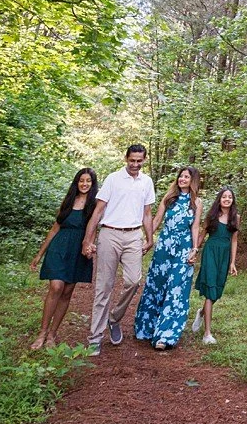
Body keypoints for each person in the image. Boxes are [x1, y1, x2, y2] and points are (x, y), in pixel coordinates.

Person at [81, 143, 155, 355]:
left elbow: (147, 213)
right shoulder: (113, 179)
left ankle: (114, 319)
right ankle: (95, 337)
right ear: (126, 158)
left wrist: (149, 238)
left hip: (133, 235)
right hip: (110, 233)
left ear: (144, 160)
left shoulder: (146, 181)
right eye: (132, 160)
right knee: (104, 286)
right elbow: (98, 211)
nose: (135, 164)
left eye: (139, 161)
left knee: (133, 281)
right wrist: (88, 239)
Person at [133, 166, 202, 350]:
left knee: (176, 288)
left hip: (183, 248)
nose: (182, 179)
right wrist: (148, 240)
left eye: (186, 177)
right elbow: (156, 220)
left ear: (193, 180)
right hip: (164, 247)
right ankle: (147, 328)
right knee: (157, 284)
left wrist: (194, 249)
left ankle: (166, 335)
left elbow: (195, 227)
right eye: (181, 176)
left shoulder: (196, 203)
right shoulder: (169, 198)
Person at [29, 168, 98, 349]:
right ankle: (42, 333)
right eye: (81, 180)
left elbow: (94, 230)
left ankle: (52, 335)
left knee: (67, 292)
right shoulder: (68, 201)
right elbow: (54, 229)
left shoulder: (95, 205)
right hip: (59, 247)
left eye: (88, 181)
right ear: (76, 182)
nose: (84, 184)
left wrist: (90, 246)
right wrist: (39, 254)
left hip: (78, 250)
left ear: (93, 184)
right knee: (56, 286)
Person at [191, 187, 239, 344]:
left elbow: (234, 240)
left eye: (229, 197)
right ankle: (207, 334)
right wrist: (195, 250)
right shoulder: (211, 216)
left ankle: (202, 312)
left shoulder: (236, 218)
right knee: (211, 289)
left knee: (217, 291)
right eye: (224, 197)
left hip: (224, 256)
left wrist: (232, 262)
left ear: (232, 200)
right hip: (211, 252)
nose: (226, 199)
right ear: (219, 199)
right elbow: (202, 234)